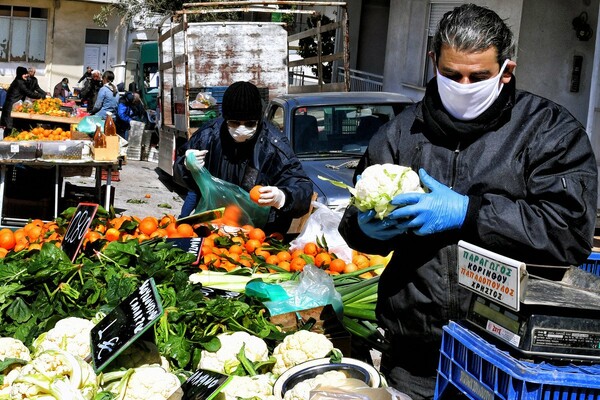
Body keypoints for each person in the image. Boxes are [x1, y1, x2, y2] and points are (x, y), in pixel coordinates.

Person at [337, 4, 598, 399]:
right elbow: (354, 220)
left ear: (506, 71)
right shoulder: (399, 133)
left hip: (507, 361)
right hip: (416, 354)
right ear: (433, 62)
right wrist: (364, 228)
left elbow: (569, 233)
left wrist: (468, 211)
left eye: (478, 77)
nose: (463, 84)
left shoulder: (549, 131)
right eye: (450, 74)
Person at [173, 81, 313, 235]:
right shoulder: (208, 137)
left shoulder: (273, 147)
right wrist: (186, 164)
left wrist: (282, 197)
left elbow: (302, 188)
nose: (241, 129)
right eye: (234, 123)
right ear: (225, 118)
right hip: (213, 231)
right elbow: (180, 176)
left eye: (249, 124)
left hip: (260, 237)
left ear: (259, 120)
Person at [0, 66, 44, 131]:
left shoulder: (20, 80)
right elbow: (28, 93)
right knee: (10, 127)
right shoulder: (19, 82)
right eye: (25, 74)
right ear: (21, 74)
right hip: (11, 107)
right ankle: (7, 140)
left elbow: (35, 89)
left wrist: (43, 94)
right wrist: (42, 96)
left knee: (12, 126)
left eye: (26, 74)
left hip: (13, 106)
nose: (26, 75)